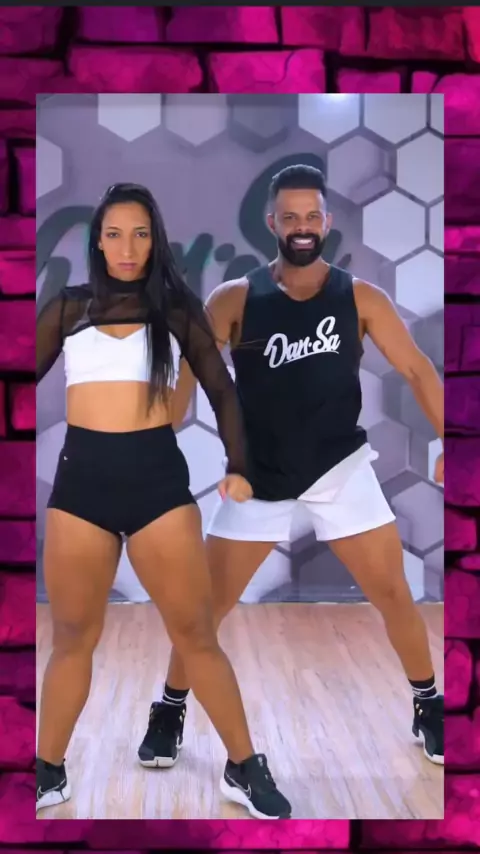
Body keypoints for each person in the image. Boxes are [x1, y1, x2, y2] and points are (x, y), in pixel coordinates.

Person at [139, 164, 444, 774]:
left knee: (393, 593)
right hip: (259, 476)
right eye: (290, 217)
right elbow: (192, 377)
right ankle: (169, 710)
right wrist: (150, 447)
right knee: (206, 610)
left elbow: (415, 368)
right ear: (271, 222)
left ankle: (429, 704)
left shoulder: (361, 297)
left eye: (312, 216)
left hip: (339, 469)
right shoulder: (235, 298)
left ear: (326, 222)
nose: (301, 227)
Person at [35, 183, 291, 820]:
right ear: (98, 241)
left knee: (195, 634)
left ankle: (243, 766)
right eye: (115, 234)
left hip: (158, 489)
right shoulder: (67, 309)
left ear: (155, 241)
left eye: (140, 234)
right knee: (73, 637)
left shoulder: (176, 309)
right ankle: (46, 769)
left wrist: (239, 467)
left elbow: (222, 390)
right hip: (81, 490)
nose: (128, 247)